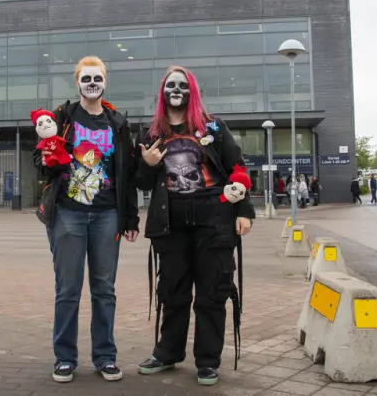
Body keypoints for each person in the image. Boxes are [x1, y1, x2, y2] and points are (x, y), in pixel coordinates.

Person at [134, 65, 254, 386]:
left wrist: (244, 211)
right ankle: (168, 352)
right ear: (162, 91)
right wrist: (148, 165)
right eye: (171, 85)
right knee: (172, 290)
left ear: (192, 91)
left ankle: (208, 360)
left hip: (214, 219)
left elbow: (236, 167)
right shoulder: (150, 133)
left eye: (183, 85)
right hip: (170, 222)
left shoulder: (212, 127)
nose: (177, 90)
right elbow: (141, 182)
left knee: (212, 292)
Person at [33, 55, 139, 384]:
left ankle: (105, 357)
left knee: (104, 289)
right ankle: (65, 358)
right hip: (68, 213)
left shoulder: (117, 122)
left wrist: (131, 217)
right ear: (77, 82)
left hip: (108, 214)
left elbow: (127, 172)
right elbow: (40, 158)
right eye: (86, 79)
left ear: (105, 82)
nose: (92, 84)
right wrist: (46, 160)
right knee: (68, 289)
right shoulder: (63, 117)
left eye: (97, 78)